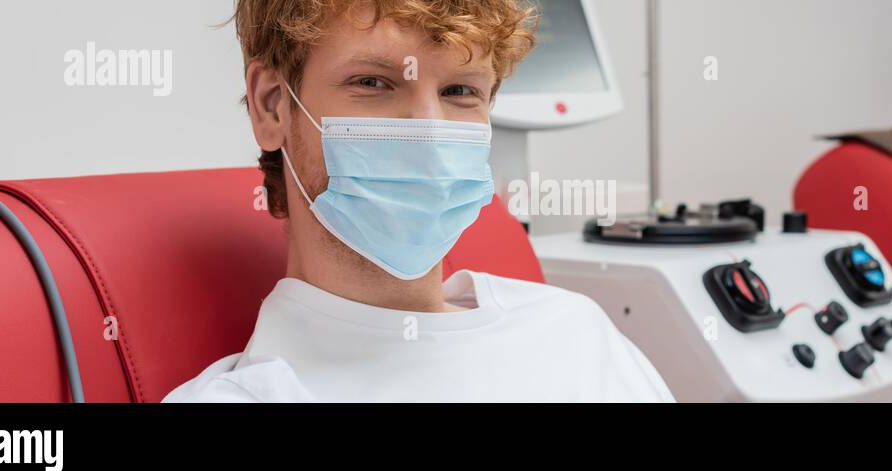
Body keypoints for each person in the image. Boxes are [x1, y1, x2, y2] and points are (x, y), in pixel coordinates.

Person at [163, 0, 673, 402]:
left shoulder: (572, 329)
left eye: (458, 90)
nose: (428, 133)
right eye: (372, 82)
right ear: (272, 104)